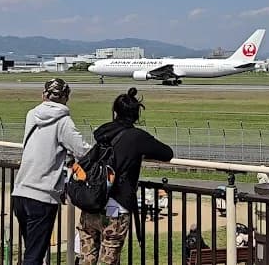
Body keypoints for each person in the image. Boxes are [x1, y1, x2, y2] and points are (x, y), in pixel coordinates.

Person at [78, 88, 173, 265]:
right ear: (136, 115)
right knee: (108, 259)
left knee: (86, 258)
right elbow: (167, 153)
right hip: (116, 208)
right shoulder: (137, 137)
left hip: (91, 204)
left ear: (115, 112)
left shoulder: (103, 134)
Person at [12, 78, 89, 265]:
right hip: (42, 195)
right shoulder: (63, 121)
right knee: (34, 256)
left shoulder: (32, 114)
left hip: (20, 191)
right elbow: (83, 150)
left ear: (43, 95)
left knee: (31, 250)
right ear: (66, 98)